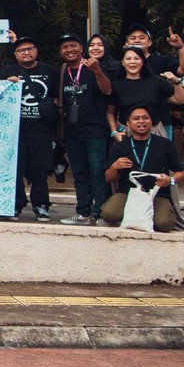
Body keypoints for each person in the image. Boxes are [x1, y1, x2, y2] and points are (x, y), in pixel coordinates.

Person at [54, 34, 113, 225]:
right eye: (65, 47)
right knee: (79, 173)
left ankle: (101, 212)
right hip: (72, 131)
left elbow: (108, 90)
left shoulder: (93, 67)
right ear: (61, 51)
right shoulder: (62, 71)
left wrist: (97, 71)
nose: (69, 50)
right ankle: (83, 212)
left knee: (97, 171)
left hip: (95, 129)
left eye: (73, 46)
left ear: (81, 48)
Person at [99, 106, 184, 232]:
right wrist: (114, 167)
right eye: (136, 118)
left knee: (164, 223)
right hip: (128, 192)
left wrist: (170, 180)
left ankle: (149, 217)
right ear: (128, 123)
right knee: (109, 213)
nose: (141, 121)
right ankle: (133, 215)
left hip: (157, 192)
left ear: (151, 122)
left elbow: (182, 172)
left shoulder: (165, 144)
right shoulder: (121, 146)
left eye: (145, 118)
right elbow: (108, 178)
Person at [1, 36, 58, 221]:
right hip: (16, 130)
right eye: (22, 50)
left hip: (41, 129)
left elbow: (56, 99)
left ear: (36, 51)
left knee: (40, 170)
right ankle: (16, 206)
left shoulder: (49, 71)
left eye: (29, 49)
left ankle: (41, 205)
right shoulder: (8, 71)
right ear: (15, 55)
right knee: (15, 170)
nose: (26, 53)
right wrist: (7, 84)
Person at [107, 46, 183, 138]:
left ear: (142, 62)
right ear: (123, 62)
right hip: (126, 133)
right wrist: (114, 132)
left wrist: (176, 82)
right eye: (128, 59)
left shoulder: (156, 81)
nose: (132, 62)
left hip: (154, 132)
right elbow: (110, 112)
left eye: (136, 58)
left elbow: (180, 100)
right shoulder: (116, 84)